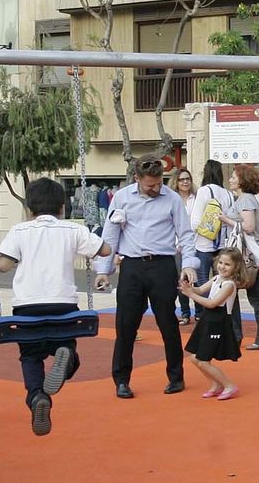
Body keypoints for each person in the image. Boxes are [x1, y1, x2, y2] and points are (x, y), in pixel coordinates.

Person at [0, 178, 113, 436]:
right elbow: (105, 250)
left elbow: (3, 265)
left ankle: (37, 397)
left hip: (27, 308)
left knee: (30, 356)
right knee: (65, 342)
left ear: (29, 209)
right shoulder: (71, 229)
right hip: (63, 306)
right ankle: (66, 358)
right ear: (62, 208)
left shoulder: (20, 231)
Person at [93, 156, 200, 400]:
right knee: (126, 325)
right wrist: (103, 270)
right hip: (131, 266)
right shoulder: (121, 198)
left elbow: (185, 234)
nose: (155, 189)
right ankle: (121, 380)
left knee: (168, 324)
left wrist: (189, 265)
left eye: (159, 183)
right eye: (150, 185)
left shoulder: (171, 199)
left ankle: (176, 376)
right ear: (137, 179)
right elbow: (110, 233)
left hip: (162, 265)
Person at [182, 246, 244, 400]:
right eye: (221, 262)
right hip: (207, 320)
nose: (222, 267)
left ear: (236, 267)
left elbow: (212, 303)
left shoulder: (229, 285)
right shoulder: (216, 279)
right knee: (195, 358)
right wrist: (190, 288)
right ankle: (216, 384)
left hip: (218, 322)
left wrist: (191, 295)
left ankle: (229, 385)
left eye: (227, 264)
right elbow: (201, 290)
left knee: (203, 360)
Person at [227, 164, 259, 351]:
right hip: (248, 253)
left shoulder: (245, 200)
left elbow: (248, 226)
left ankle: (240, 335)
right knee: (254, 297)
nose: (230, 180)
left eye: (233, 177)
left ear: (242, 181)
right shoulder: (246, 199)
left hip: (245, 255)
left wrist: (225, 220)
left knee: (238, 294)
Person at [189, 160, 235, 317]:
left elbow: (194, 222)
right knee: (222, 282)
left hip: (204, 244)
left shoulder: (204, 191)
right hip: (222, 245)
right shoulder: (229, 194)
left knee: (203, 281)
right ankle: (219, 313)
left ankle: (203, 315)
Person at [172, 168, 199, 325]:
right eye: (182, 179)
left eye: (187, 178)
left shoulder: (196, 199)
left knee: (197, 280)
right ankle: (185, 312)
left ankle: (199, 312)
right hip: (177, 247)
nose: (185, 182)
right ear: (176, 181)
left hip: (196, 244)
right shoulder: (173, 200)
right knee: (181, 280)